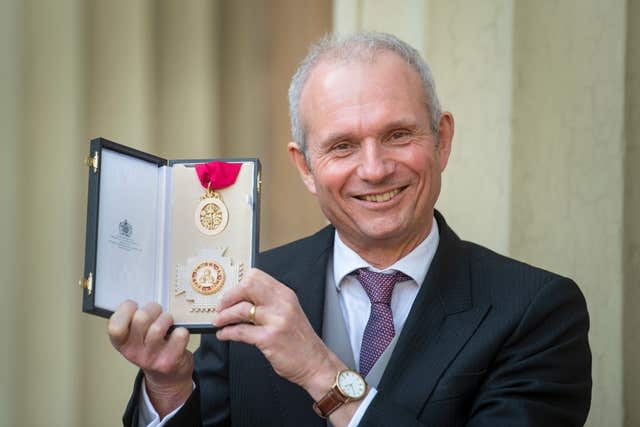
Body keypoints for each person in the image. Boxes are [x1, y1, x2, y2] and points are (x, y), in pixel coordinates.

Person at [108, 32, 591, 427]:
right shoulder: (249, 287)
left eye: (397, 135)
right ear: (305, 167)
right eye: (342, 146)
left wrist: (322, 373)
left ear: (441, 140)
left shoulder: (537, 310)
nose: (375, 168)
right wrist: (169, 388)